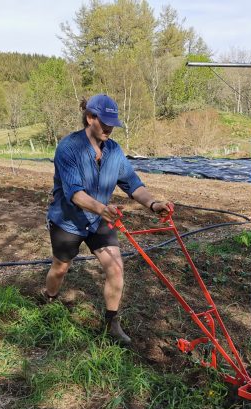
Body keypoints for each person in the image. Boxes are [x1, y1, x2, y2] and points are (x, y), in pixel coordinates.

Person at [44, 94, 172, 345]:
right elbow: (74, 193)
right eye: (105, 122)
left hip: (98, 221)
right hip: (68, 220)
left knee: (115, 268)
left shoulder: (114, 151)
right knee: (60, 268)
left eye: (113, 123)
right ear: (90, 117)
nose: (109, 128)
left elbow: (133, 184)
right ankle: (48, 297)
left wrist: (154, 204)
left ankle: (112, 323)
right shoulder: (69, 148)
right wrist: (102, 209)